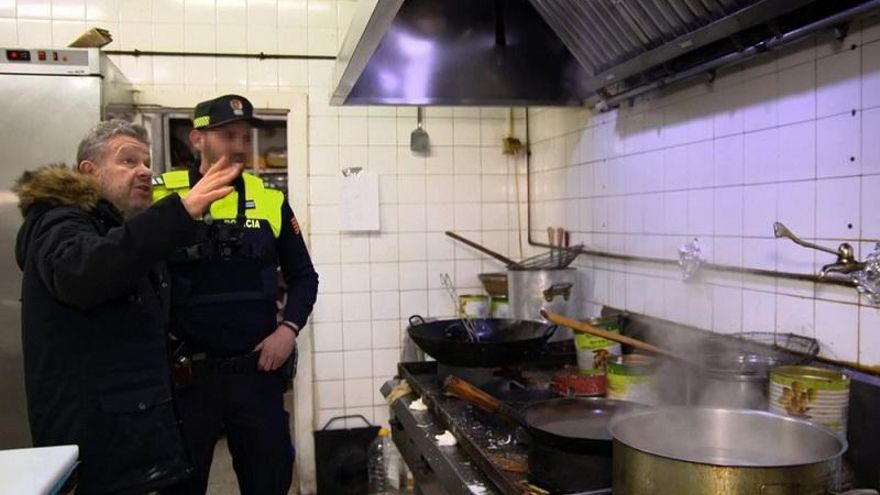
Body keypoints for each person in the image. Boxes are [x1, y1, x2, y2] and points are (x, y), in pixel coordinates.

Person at [13, 120, 241, 494]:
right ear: (90, 171)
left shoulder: (112, 226)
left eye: (147, 162)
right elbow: (83, 272)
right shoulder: (58, 221)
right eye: (128, 160)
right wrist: (179, 211)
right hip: (96, 448)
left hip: (129, 439)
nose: (146, 171)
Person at [154, 94, 319, 495]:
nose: (240, 146)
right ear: (197, 139)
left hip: (257, 377)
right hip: (186, 381)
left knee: (270, 482)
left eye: (245, 137)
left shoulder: (271, 201)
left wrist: (289, 330)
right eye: (228, 135)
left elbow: (304, 278)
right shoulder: (162, 196)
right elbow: (131, 274)